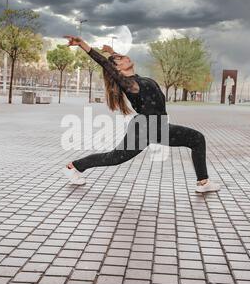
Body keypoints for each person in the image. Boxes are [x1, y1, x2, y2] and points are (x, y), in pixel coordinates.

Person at [63, 35, 221, 193]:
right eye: (120, 59)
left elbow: (114, 63)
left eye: (122, 56)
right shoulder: (129, 84)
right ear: (117, 69)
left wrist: (112, 52)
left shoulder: (137, 79)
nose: (125, 57)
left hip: (154, 126)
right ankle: (74, 166)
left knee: (114, 157)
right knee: (114, 158)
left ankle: (203, 182)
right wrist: (82, 44)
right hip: (148, 128)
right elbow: (105, 64)